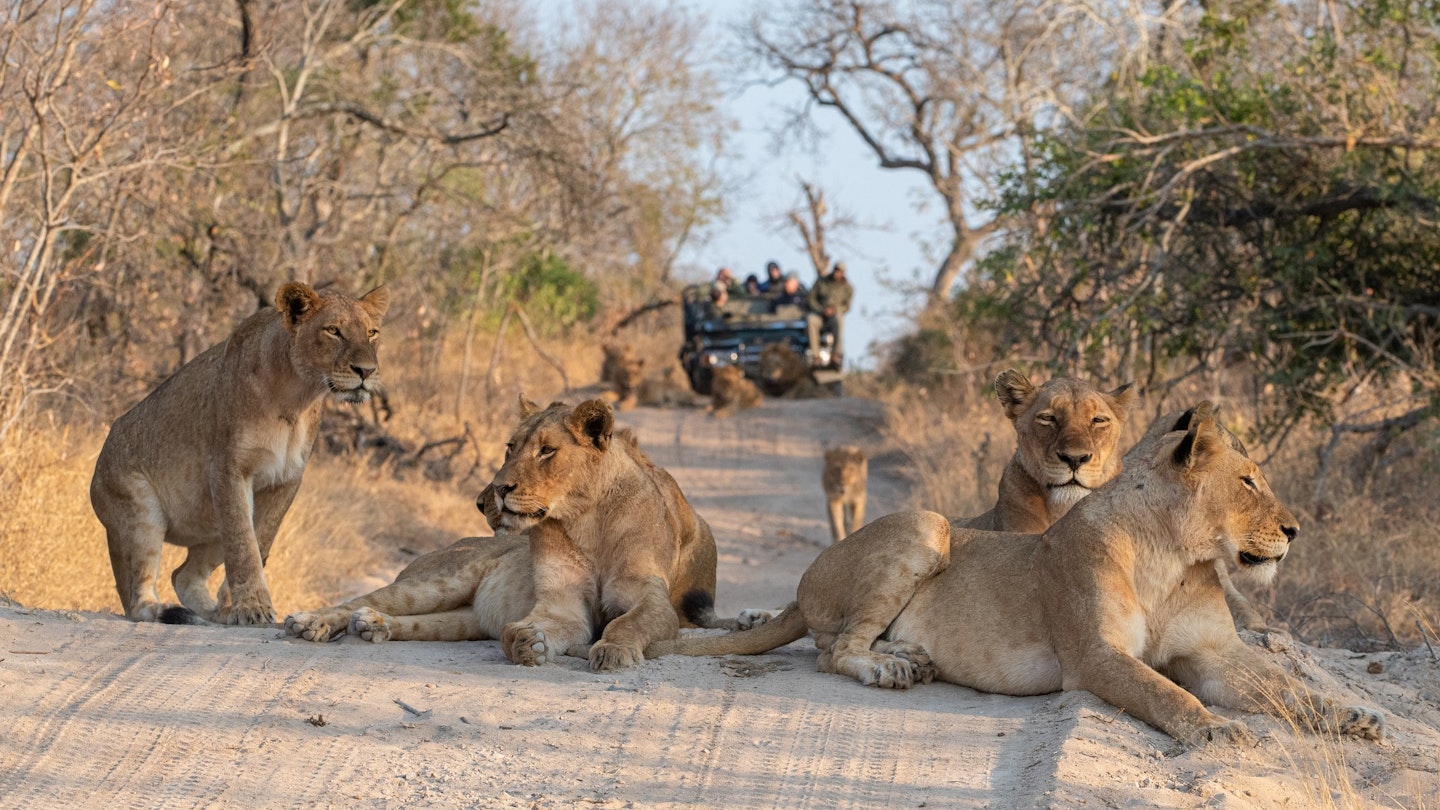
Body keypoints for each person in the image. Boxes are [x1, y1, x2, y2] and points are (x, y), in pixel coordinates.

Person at [807, 261, 853, 368]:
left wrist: (835, 310)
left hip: (834, 316)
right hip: (820, 314)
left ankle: (836, 355)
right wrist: (820, 309)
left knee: (839, 320)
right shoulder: (821, 282)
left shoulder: (848, 288)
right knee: (811, 320)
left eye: (840, 271)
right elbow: (811, 298)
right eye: (836, 270)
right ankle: (815, 357)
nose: (837, 273)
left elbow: (847, 306)